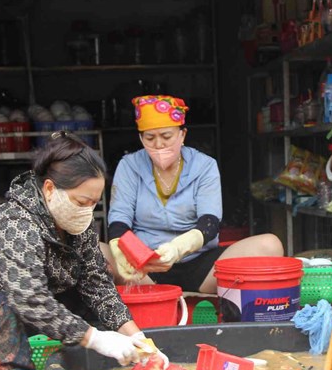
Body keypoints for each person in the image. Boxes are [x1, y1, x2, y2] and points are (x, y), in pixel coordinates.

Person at [0, 131, 163, 370]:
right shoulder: (16, 222)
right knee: (2, 309)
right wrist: (95, 338)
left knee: (93, 297)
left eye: (94, 203)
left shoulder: (80, 222)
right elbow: (29, 299)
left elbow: (97, 284)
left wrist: (139, 340)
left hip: (21, 309)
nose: (87, 211)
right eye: (81, 202)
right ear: (49, 188)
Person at [104, 94, 283, 292]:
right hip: (143, 269)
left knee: (269, 245)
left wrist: (177, 249)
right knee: (95, 250)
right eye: (150, 138)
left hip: (201, 265)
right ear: (140, 138)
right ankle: (150, 290)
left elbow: (210, 224)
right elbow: (119, 220)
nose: (158, 145)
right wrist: (121, 251)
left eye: (166, 136)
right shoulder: (129, 165)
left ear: (182, 135)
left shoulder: (204, 166)